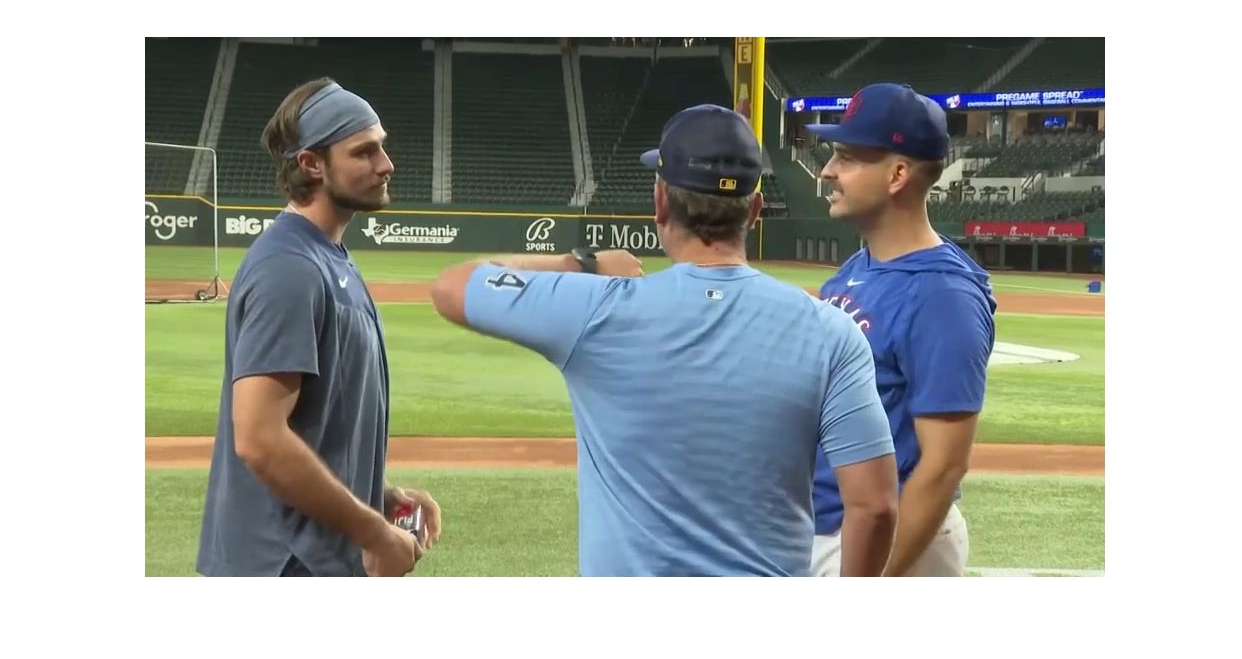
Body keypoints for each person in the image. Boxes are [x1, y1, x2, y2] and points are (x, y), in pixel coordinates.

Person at [430, 104, 899, 576]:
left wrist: (580, 264)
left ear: (660, 202)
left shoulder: (596, 309)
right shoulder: (832, 331)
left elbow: (453, 286)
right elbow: (875, 506)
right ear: (755, 211)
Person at [196, 77, 441, 577]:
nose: (386, 164)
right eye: (364, 152)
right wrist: (373, 532)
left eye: (381, 147)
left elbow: (317, 425)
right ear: (311, 163)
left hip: (308, 556)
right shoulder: (289, 268)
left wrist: (375, 495)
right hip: (281, 565)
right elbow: (261, 439)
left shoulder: (327, 257)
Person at [805, 83, 997, 577]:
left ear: (897, 175)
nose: (828, 171)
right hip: (834, 524)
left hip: (886, 539)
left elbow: (944, 466)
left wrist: (876, 578)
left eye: (847, 157)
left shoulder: (943, 296)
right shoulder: (860, 266)